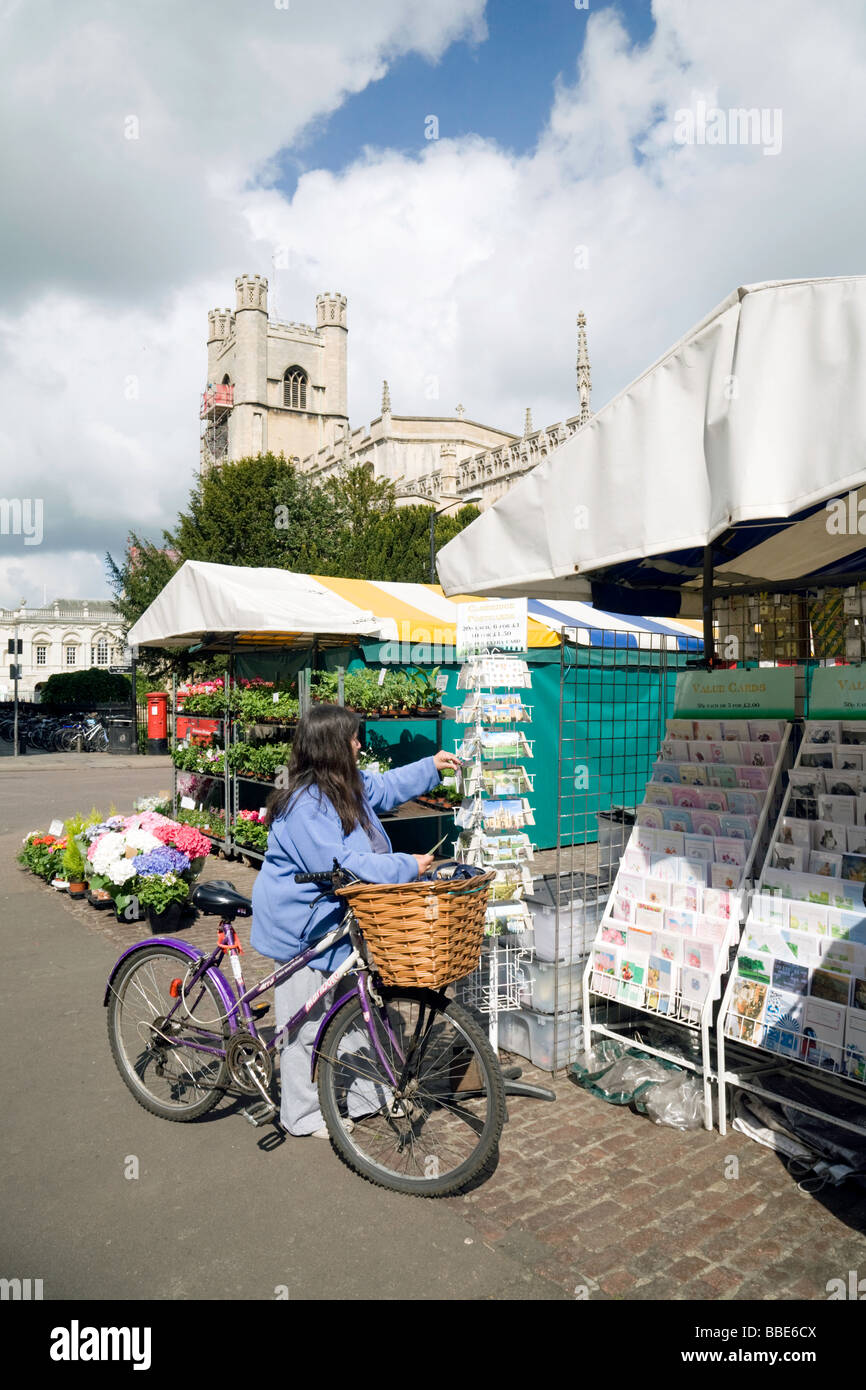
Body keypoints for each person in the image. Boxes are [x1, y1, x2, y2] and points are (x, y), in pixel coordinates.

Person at [250, 701, 462, 1138]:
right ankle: (302, 1116)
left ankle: (371, 1097)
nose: (359, 744)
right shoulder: (304, 803)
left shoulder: (343, 783)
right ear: (331, 745)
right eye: (352, 737)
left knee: (363, 1010)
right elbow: (341, 862)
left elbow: (383, 788)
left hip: (339, 918)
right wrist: (406, 866)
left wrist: (431, 766)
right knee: (304, 1026)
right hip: (301, 927)